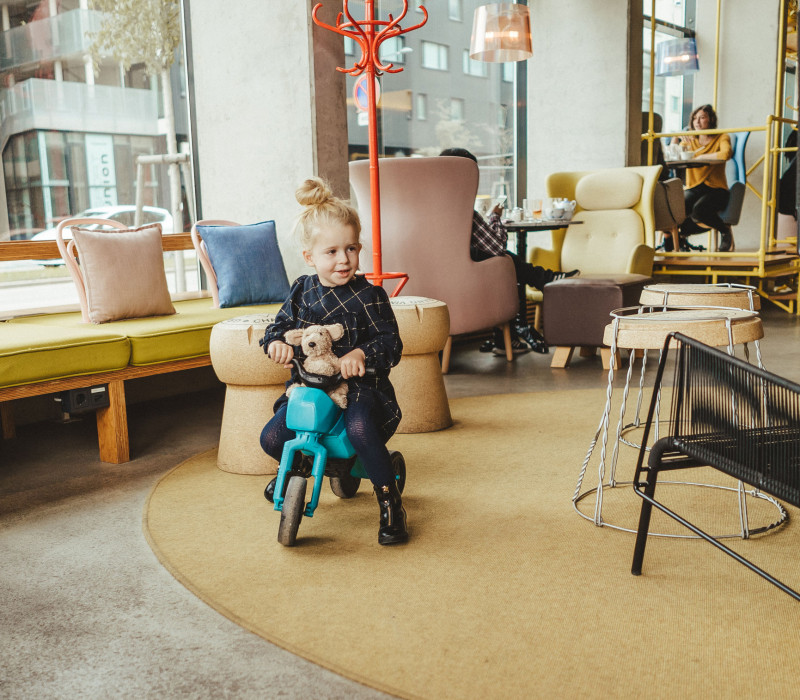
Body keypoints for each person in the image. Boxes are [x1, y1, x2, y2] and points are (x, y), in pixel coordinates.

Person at [260, 177, 408, 546]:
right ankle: (294, 466)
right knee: (272, 436)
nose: (344, 259)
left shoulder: (370, 296)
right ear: (310, 257)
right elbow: (277, 326)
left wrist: (360, 354)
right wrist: (276, 342)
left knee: (359, 431)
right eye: (331, 252)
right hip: (312, 388)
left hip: (361, 389)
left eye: (351, 249)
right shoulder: (302, 290)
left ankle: (389, 500)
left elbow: (390, 342)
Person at [439, 148, 579, 355]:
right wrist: (494, 217)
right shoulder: (461, 209)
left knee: (499, 260)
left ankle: (508, 335)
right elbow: (497, 247)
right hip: (465, 284)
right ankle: (543, 280)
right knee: (504, 260)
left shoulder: (421, 206)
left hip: (430, 282)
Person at [664, 104, 734, 252]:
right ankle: (675, 241)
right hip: (694, 188)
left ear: (711, 120)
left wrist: (702, 156)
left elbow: (725, 154)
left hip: (716, 189)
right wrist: (676, 137)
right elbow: (672, 155)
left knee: (699, 211)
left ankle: (724, 231)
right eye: (695, 118)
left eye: (702, 118)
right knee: (673, 211)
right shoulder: (690, 140)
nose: (698, 122)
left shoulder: (721, 136)